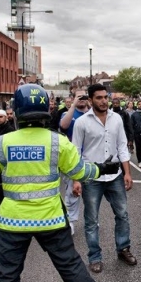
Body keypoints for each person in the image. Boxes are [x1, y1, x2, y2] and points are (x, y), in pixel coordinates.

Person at [0, 84, 120, 282]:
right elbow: (80, 171)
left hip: (12, 222)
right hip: (51, 220)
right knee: (70, 266)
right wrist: (102, 168)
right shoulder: (58, 142)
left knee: (6, 276)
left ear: (16, 111)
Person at [72, 84, 136, 274]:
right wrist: (76, 179)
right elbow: (75, 152)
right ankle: (95, 257)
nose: (103, 101)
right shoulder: (82, 122)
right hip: (92, 177)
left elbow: (122, 146)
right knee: (91, 220)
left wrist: (127, 172)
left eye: (105, 97)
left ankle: (123, 248)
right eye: (98, 98)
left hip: (115, 175)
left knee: (123, 215)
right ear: (90, 100)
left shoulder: (116, 119)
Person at [59, 90, 90, 235]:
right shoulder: (68, 114)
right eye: (79, 97)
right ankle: (70, 221)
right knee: (73, 192)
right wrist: (73, 105)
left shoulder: (92, 113)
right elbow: (63, 126)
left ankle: (92, 219)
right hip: (73, 158)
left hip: (90, 157)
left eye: (84, 97)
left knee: (92, 191)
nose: (82, 99)